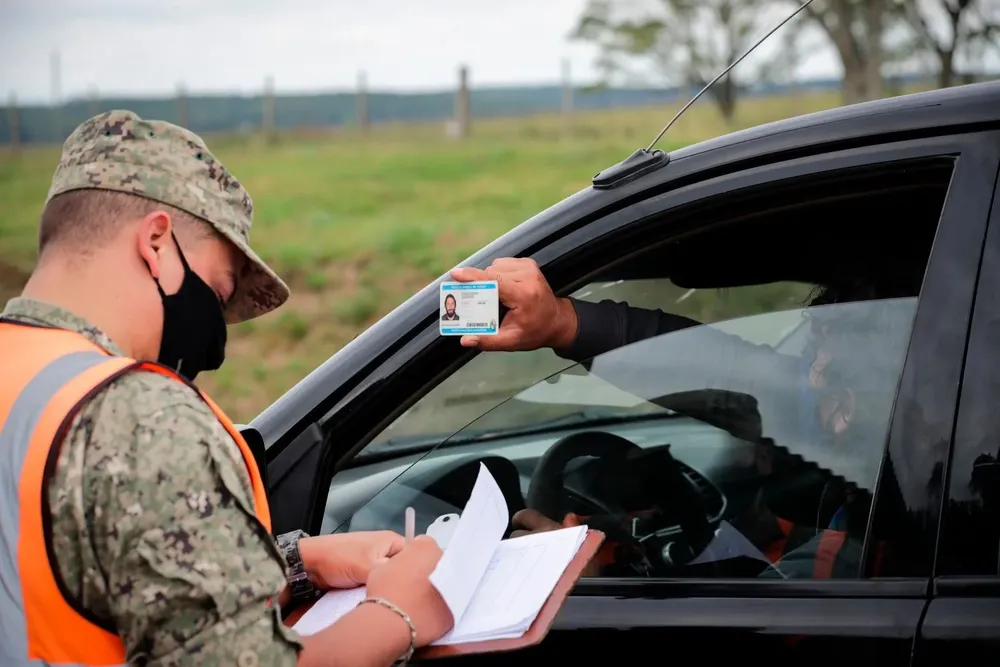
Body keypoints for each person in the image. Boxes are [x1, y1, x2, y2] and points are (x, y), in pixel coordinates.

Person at [0, 110, 453, 667]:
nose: (214, 337)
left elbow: (66, 564)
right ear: (157, 244)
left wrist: (293, 564)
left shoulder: (22, 377)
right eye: (217, 292)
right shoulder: (138, 416)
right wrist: (398, 614)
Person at [450, 258, 909, 578]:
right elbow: (732, 374)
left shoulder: (862, 556)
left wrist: (577, 583)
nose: (807, 376)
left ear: (848, 408)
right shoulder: (898, 440)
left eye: (819, 360)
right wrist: (564, 324)